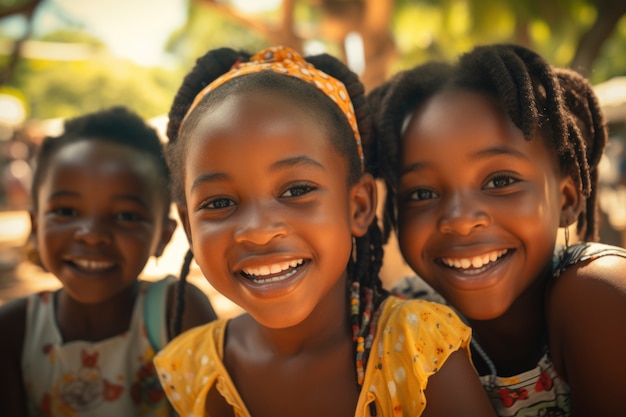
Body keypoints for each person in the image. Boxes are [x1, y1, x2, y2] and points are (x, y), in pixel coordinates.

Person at [152, 45, 496, 417]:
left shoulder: (417, 350)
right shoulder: (194, 372)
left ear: (359, 206)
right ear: (189, 226)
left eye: (296, 191)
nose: (258, 231)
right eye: (219, 203)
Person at [368, 43, 626, 416]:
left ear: (567, 198)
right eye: (422, 193)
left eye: (500, 181)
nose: (459, 218)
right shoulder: (404, 328)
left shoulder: (596, 292)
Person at [0, 106, 218, 417]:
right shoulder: (13, 331)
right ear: (36, 226)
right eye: (66, 211)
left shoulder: (177, 314)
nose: (91, 235)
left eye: (126, 216)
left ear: (163, 237)